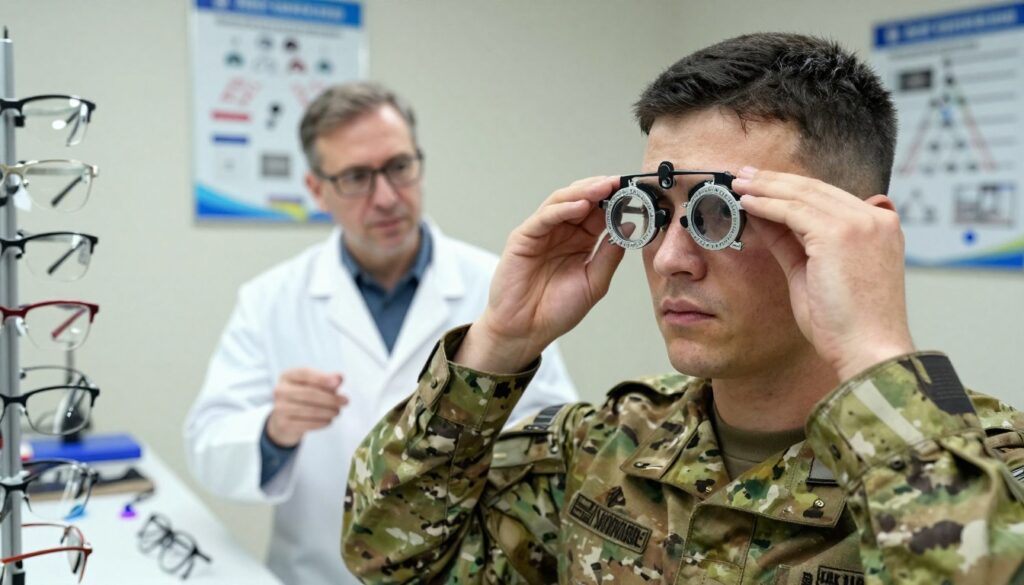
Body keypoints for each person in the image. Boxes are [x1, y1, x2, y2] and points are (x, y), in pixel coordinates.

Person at [342, 33, 1024, 585]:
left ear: (855, 233)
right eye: (656, 213)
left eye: (717, 214)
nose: (670, 258)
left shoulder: (988, 474)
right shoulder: (605, 448)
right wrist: (498, 341)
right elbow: (387, 556)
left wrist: (877, 353)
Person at [183, 82, 577, 585]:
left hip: (462, 572)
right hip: (316, 574)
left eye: (398, 167)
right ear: (316, 189)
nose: (387, 197)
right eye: (355, 177)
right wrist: (274, 430)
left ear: (419, 161)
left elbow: (549, 436)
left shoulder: (497, 284)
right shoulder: (270, 300)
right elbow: (207, 443)